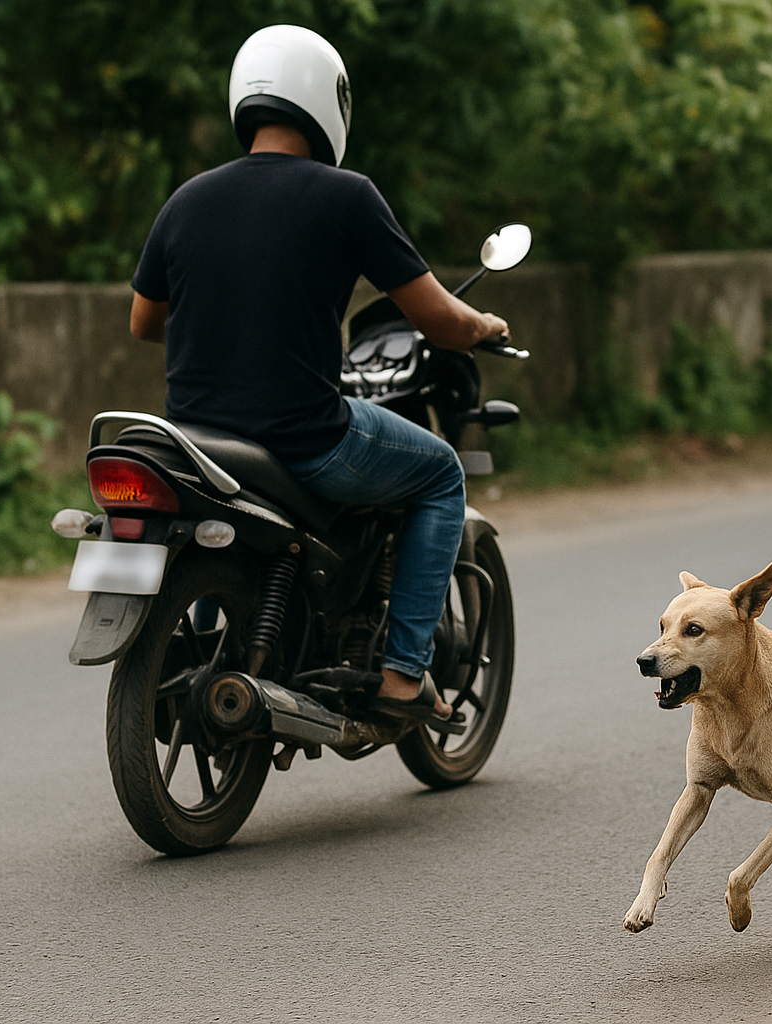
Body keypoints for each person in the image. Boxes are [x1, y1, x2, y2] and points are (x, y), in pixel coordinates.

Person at [127, 25, 507, 729]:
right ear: (329, 103)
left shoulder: (186, 200)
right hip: (305, 437)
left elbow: (144, 322)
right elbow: (440, 322)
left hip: (197, 442)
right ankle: (402, 676)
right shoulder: (346, 196)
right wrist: (482, 326)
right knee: (440, 473)